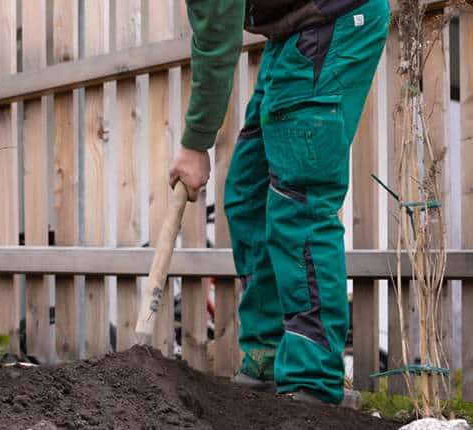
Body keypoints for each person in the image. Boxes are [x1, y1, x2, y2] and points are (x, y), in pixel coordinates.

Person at [167, 0, 389, 407]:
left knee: (300, 200)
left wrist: (196, 143)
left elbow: (217, 37)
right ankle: (267, 359)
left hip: (335, 19)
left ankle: (314, 380)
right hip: (294, 30)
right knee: (248, 195)